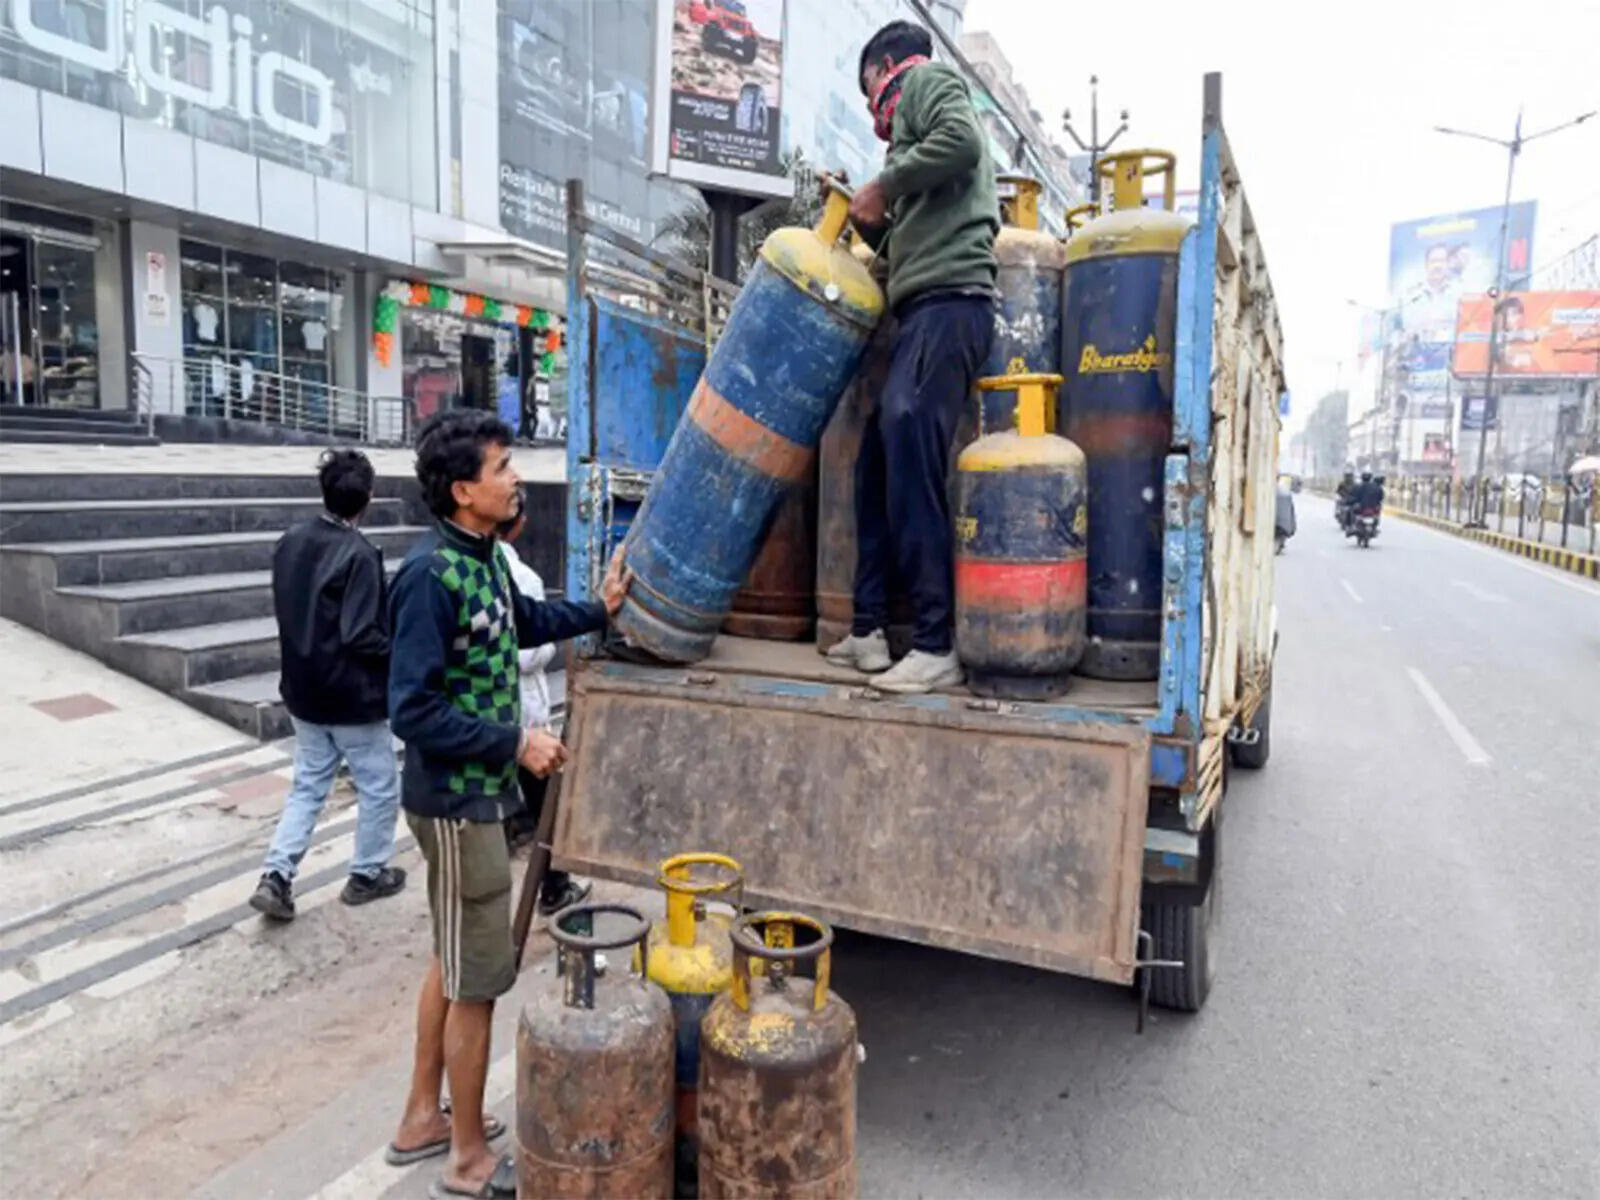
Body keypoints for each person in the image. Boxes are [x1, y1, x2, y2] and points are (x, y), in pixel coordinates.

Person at [385, 410, 630, 1198]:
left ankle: (423, 1116)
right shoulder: (429, 578)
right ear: (463, 491)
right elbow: (411, 709)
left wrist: (598, 608)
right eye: (501, 468)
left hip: (476, 795)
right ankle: (464, 1158)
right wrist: (514, 743)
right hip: (457, 803)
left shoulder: (486, 558)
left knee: (453, 960)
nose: (515, 477)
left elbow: (526, 622)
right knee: (480, 978)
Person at [823, 19, 998, 694]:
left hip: (953, 305)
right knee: (875, 465)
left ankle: (934, 642)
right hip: (923, 308)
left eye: (871, 92)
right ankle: (869, 630)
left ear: (888, 66)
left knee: (907, 441)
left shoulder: (926, 80)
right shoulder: (916, 169)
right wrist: (873, 223)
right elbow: (904, 242)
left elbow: (962, 141)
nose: (875, 112)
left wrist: (885, 184)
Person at [250, 450, 404, 922]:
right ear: (368, 498)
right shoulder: (359, 553)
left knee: (309, 785)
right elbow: (361, 633)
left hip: (302, 687)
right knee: (379, 784)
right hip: (351, 696)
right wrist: (402, 649)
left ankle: (276, 874)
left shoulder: (290, 540)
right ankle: (366, 873)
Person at [492, 494, 588, 916]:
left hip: (494, 716)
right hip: (524, 714)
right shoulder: (522, 576)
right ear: (519, 524)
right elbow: (527, 652)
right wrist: (548, 644)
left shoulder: (470, 565)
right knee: (545, 797)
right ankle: (554, 887)